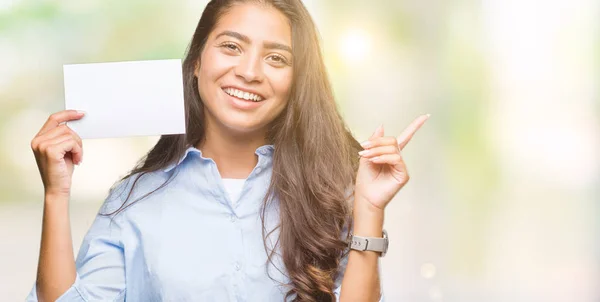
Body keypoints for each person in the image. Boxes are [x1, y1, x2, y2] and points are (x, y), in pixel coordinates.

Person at [27, 0, 429, 301]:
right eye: (232, 47)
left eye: (276, 58)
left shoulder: (329, 196)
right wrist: (55, 193)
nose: (250, 72)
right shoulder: (134, 201)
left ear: (296, 81)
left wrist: (369, 209)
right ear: (198, 60)